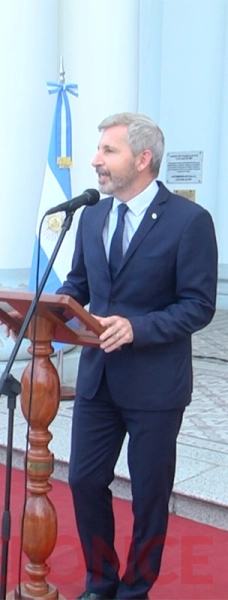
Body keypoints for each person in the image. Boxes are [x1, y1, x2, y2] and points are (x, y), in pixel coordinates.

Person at [55, 113, 218, 599]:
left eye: (108, 150)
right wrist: (50, 307)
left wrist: (137, 328)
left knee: (149, 498)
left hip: (155, 385)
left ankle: (135, 589)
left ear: (143, 159)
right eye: (99, 149)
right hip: (98, 380)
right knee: (84, 482)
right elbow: (79, 283)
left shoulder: (189, 221)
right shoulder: (92, 215)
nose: (95, 160)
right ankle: (102, 583)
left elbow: (198, 305)